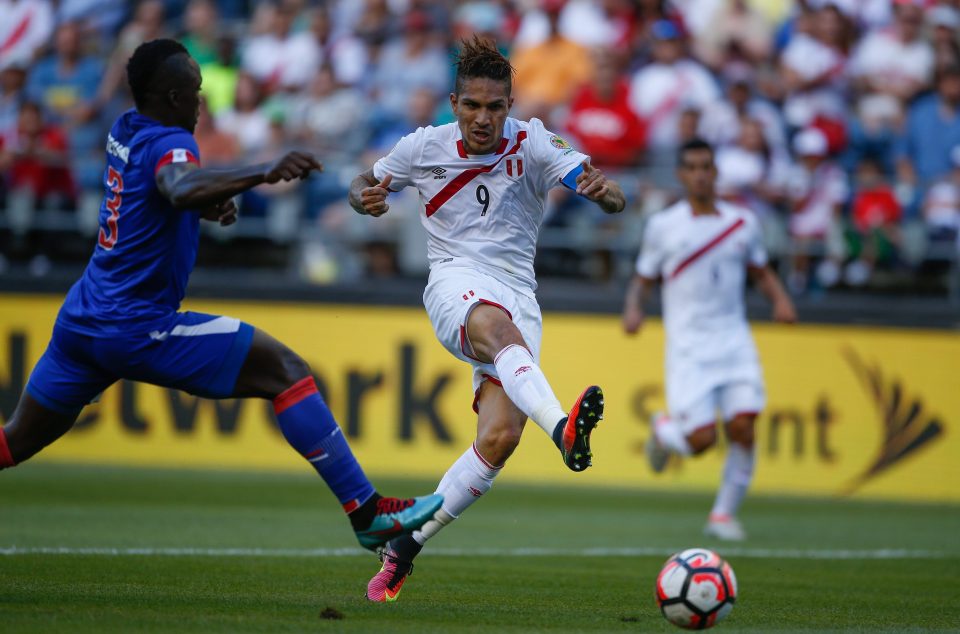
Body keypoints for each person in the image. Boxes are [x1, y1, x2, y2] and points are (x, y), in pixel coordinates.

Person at [0, 39, 442, 553]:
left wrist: (205, 207)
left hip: (81, 320)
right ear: (170, 97)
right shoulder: (172, 143)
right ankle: (367, 513)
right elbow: (178, 184)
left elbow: (158, 197)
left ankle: (367, 512)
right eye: (195, 93)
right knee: (286, 371)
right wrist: (261, 171)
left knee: (14, 441)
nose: (201, 103)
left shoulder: (125, 129)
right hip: (136, 326)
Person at [349, 36, 625, 602]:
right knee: (499, 330)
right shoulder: (422, 146)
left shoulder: (536, 140)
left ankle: (404, 546)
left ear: (509, 105)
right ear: (454, 103)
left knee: (498, 438)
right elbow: (362, 182)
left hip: (519, 293)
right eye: (472, 105)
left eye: (495, 107)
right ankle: (563, 431)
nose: (483, 118)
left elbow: (606, 191)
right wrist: (365, 199)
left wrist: (605, 195)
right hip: (455, 281)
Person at [621, 138, 796, 542]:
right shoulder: (665, 226)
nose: (700, 174)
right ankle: (663, 429)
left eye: (706, 167)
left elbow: (761, 271)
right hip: (689, 348)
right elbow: (643, 279)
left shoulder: (742, 222)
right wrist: (634, 309)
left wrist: (781, 301)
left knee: (745, 426)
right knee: (701, 441)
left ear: (715, 172)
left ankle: (722, 516)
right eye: (692, 168)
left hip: (734, 340)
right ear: (682, 175)